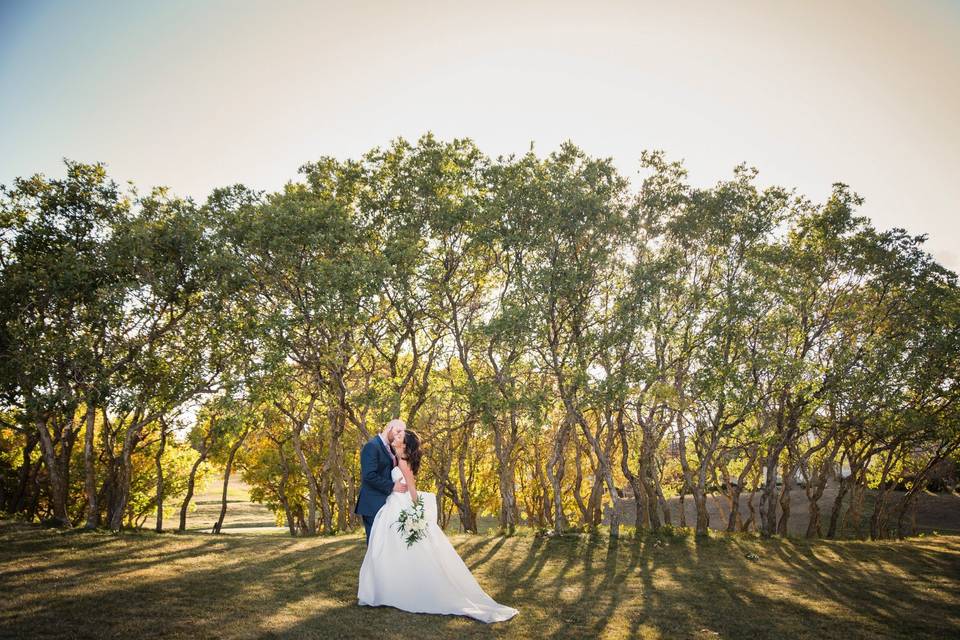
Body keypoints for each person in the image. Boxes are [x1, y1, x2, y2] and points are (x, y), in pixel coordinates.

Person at [357, 428, 519, 623]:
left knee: (394, 549)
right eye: (397, 434)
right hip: (393, 506)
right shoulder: (396, 458)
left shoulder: (402, 462)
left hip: (401, 507)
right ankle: (390, 587)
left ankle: (395, 589)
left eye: (400, 436)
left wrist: (416, 513)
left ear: (405, 445)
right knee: (390, 549)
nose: (395, 437)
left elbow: (412, 489)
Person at [354, 419, 408, 543]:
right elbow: (369, 475)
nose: (398, 435)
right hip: (372, 504)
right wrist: (392, 486)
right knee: (375, 544)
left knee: (385, 545)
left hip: (386, 503)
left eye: (401, 433)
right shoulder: (372, 446)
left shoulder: (390, 448)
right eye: (398, 430)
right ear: (390, 427)